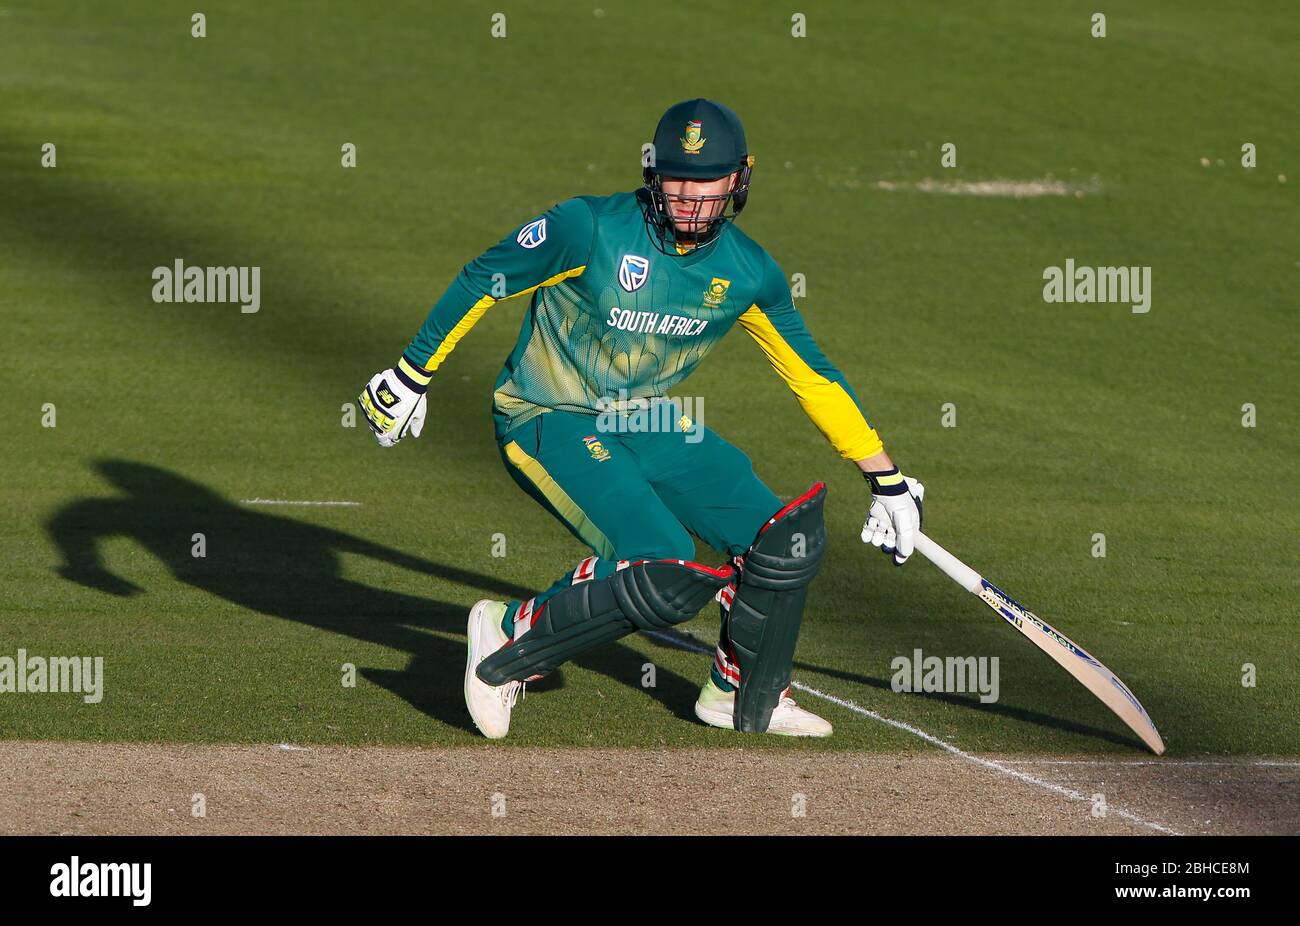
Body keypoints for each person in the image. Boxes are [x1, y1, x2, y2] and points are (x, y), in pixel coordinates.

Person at [359, 99, 924, 739]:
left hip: (646, 418)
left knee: (782, 540)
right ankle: (504, 638)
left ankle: (739, 693)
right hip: (549, 414)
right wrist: (409, 374)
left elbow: (812, 375)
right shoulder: (589, 228)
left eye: (708, 185)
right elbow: (485, 277)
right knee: (659, 563)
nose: (691, 201)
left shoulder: (748, 274)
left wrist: (886, 478)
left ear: (740, 180)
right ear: (654, 175)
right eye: (678, 183)